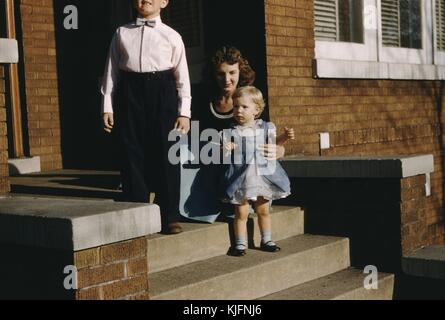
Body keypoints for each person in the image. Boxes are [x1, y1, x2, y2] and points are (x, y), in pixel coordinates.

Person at [101, 0, 191, 235]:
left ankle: (169, 214)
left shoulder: (172, 35)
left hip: (163, 93)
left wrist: (184, 112)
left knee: (167, 152)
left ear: (164, 2)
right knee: (132, 151)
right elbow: (110, 73)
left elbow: (182, 77)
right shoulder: (121, 33)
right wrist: (107, 106)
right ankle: (136, 210)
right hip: (131, 92)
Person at [179, 46, 293, 223]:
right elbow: (196, 138)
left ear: (241, 71)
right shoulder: (204, 100)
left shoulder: (250, 100)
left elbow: (266, 137)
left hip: (242, 169)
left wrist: (280, 150)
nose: (227, 79)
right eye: (220, 74)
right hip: (211, 164)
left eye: (232, 72)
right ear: (213, 75)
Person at [221, 86, 291, 256]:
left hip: (262, 178)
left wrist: (285, 137)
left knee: (263, 210)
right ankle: (239, 243)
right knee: (241, 212)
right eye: (236, 106)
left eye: (244, 107)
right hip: (241, 179)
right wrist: (226, 148)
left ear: (256, 110)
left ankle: (266, 239)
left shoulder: (265, 127)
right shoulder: (231, 131)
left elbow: (275, 144)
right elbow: (221, 152)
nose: (238, 110)